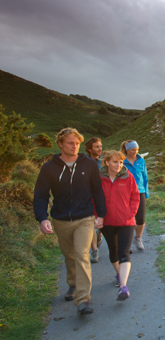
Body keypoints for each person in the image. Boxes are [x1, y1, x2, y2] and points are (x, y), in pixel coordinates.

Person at [33, 127, 106, 315]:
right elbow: (41, 195)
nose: (74, 146)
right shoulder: (49, 168)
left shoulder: (89, 164)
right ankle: (73, 284)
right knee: (70, 255)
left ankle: (83, 299)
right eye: (70, 143)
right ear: (60, 144)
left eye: (77, 143)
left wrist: (101, 215)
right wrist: (42, 218)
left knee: (82, 255)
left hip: (85, 218)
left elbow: (97, 190)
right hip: (61, 219)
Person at [99, 150, 140, 300]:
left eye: (121, 162)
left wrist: (130, 214)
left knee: (124, 253)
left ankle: (123, 286)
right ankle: (118, 273)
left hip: (126, 222)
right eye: (115, 162)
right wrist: (97, 217)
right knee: (113, 251)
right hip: (107, 222)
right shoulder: (99, 179)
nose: (118, 165)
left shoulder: (127, 177)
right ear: (107, 162)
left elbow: (135, 197)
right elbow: (93, 199)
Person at [120, 140, 149, 251]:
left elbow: (145, 177)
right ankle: (128, 242)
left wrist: (146, 193)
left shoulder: (141, 160)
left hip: (140, 191)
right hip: (126, 192)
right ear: (127, 150)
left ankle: (138, 238)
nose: (135, 152)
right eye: (133, 150)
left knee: (140, 218)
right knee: (128, 217)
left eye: (137, 150)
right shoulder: (122, 161)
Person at [85, 137, 103, 263]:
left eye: (100, 146)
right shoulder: (83, 163)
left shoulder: (104, 163)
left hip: (103, 196)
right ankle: (94, 250)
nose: (100, 149)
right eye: (97, 147)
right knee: (90, 222)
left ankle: (100, 231)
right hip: (88, 197)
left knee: (104, 220)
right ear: (89, 149)